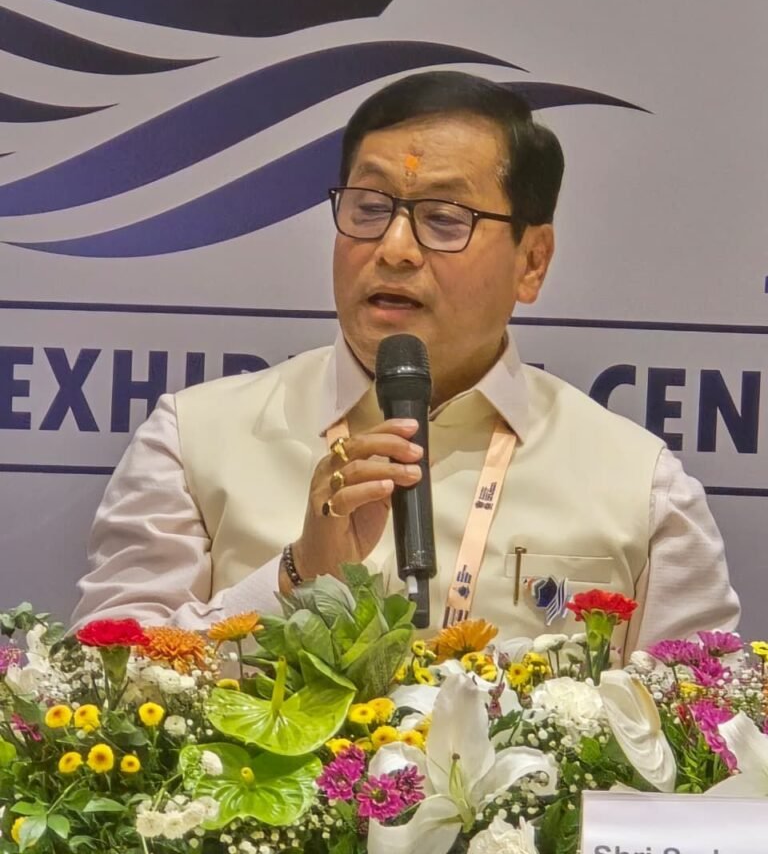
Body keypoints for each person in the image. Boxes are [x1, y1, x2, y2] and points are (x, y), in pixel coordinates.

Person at [72, 71, 739, 655]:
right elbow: (99, 690)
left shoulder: (640, 486)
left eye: (443, 219)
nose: (394, 248)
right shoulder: (193, 440)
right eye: (369, 208)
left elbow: (704, 727)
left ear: (532, 261)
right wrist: (295, 578)